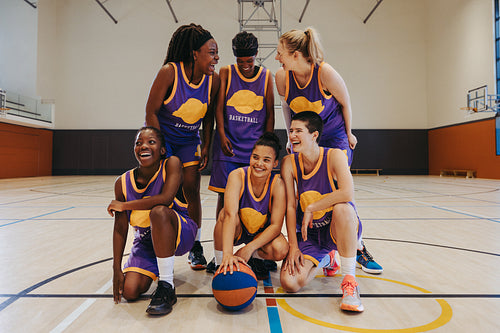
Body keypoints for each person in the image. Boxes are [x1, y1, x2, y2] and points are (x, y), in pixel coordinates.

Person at [274, 27, 382, 275]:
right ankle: (325, 247)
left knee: (340, 191)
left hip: (334, 136)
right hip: (308, 136)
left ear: (296, 55)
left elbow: (346, 102)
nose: (277, 58)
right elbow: (286, 107)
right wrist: (290, 135)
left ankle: (358, 246)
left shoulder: (324, 73)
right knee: (310, 189)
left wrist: (349, 133)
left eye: (281, 53)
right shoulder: (282, 78)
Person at [145, 23, 221, 270]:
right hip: (165, 139)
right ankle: (151, 244)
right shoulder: (169, 72)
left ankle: (195, 245)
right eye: (211, 52)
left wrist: (207, 144)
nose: (216, 57)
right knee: (163, 191)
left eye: (216, 52)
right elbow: (151, 111)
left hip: (190, 140)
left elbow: (208, 117)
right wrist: (160, 146)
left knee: (192, 188)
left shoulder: (214, 81)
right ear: (194, 53)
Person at [108, 127, 198, 316]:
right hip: (146, 242)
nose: (143, 146)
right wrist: (116, 268)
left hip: (180, 232)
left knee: (158, 212)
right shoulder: (122, 182)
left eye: (151, 142)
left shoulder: (171, 164)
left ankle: (166, 286)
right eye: (138, 143)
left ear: (162, 150)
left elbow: (165, 199)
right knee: (130, 291)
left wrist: (125, 206)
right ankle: (158, 263)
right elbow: (120, 228)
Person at [280, 111, 364, 312]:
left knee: (343, 208)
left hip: (337, 228)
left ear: (314, 135)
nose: (292, 135)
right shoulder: (289, 163)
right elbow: (290, 206)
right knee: (290, 283)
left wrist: (312, 207)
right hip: (311, 235)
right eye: (291, 131)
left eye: (298, 131)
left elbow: (348, 192)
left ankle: (349, 282)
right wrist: (293, 246)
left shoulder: (334, 155)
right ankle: (327, 258)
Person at [208, 31, 275, 215]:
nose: (245, 66)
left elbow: (270, 114)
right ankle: (222, 243)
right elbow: (219, 107)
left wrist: (266, 146)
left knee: (254, 197)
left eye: (249, 61)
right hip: (228, 146)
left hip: (253, 149)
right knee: (224, 196)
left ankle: (253, 241)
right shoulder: (226, 72)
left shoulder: (266, 76)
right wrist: (221, 135)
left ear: (256, 56)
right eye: (241, 61)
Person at [207, 132, 288, 280]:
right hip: (238, 230)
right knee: (224, 214)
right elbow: (230, 215)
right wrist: (227, 254)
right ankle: (220, 264)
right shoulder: (237, 176)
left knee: (281, 249)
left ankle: (253, 257)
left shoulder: (278, 184)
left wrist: (248, 249)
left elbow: (276, 226)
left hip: (260, 234)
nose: (259, 164)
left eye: (266, 160)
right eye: (255, 157)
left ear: (275, 163)